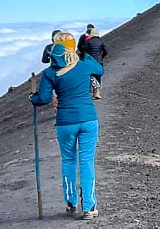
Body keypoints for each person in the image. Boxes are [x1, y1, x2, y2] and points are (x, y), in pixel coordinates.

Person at [29, 41, 106, 219]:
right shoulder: (84, 65)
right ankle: (89, 206)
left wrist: (32, 98)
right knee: (87, 162)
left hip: (65, 123)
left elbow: (44, 99)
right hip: (88, 119)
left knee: (69, 161)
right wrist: (85, 54)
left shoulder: (50, 73)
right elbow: (100, 70)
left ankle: (71, 203)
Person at [78, 24, 108, 99]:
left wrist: (82, 58)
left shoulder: (87, 42)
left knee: (90, 76)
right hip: (99, 61)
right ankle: (97, 92)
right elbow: (106, 52)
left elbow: (84, 52)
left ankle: (90, 92)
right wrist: (101, 57)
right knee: (98, 76)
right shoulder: (101, 41)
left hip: (90, 61)